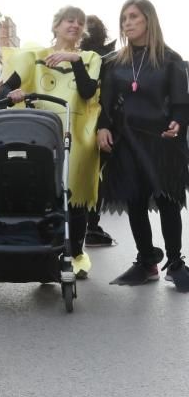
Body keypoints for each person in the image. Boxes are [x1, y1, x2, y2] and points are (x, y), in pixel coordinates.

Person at [0, 6, 102, 279]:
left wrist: (75, 60)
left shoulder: (90, 58)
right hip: (41, 133)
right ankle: (45, 251)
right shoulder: (35, 57)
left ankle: (76, 253)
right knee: (44, 193)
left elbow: (88, 90)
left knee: (75, 196)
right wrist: (14, 93)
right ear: (56, 25)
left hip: (78, 134)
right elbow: (4, 88)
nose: (76, 25)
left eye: (80, 22)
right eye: (70, 20)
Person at [97, 0, 189, 289]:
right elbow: (106, 102)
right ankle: (146, 261)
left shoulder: (170, 59)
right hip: (126, 139)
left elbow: (181, 101)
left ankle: (175, 263)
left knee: (168, 201)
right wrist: (102, 127)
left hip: (162, 141)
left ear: (148, 20)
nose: (127, 22)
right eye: (124, 17)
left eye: (134, 16)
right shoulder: (114, 62)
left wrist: (179, 121)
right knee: (134, 200)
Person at [80, 15, 118, 248]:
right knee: (97, 174)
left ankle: (74, 223)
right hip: (102, 120)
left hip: (77, 118)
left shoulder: (76, 55)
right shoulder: (110, 58)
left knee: (74, 172)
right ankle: (92, 226)